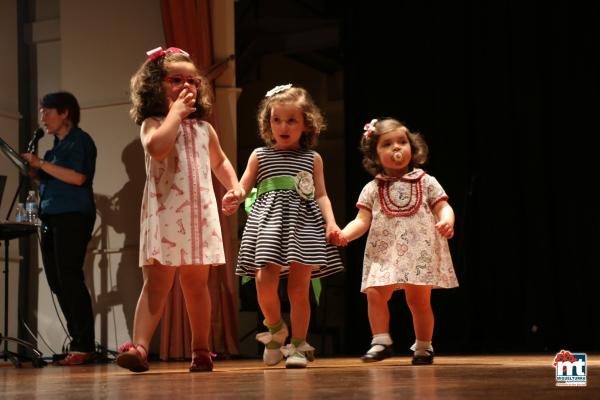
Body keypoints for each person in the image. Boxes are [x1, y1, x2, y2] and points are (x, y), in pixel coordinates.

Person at [115, 46, 243, 373]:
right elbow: (158, 149)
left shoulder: (204, 130)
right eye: (175, 80)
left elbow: (220, 161)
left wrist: (235, 186)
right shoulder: (153, 123)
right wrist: (174, 115)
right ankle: (140, 347)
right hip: (165, 214)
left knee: (197, 286)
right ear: (155, 86)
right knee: (156, 284)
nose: (186, 86)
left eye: (192, 81)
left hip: (198, 217)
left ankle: (201, 349)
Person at [224, 84, 344, 368]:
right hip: (268, 224)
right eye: (277, 119)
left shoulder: (312, 159)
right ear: (268, 123)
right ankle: (277, 329)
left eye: (291, 120)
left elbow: (322, 194)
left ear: (306, 124)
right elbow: (243, 187)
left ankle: (299, 345)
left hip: (303, 224)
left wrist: (332, 223)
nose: (283, 126)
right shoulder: (260, 156)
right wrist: (234, 196)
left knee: (299, 289)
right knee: (264, 282)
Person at [332, 118, 458, 365]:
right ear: (375, 155)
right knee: (374, 292)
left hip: (418, 251)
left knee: (418, 300)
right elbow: (362, 219)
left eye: (402, 142)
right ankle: (381, 341)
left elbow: (444, 207)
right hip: (384, 252)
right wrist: (345, 234)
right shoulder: (372, 188)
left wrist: (446, 220)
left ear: (412, 147)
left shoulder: (426, 181)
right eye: (387, 144)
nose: (397, 148)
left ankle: (424, 346)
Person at [21, 91, 98, 366]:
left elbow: (78, 178)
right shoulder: (53, 147)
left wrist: (41, 164)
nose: (43, 117)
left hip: (73, 216)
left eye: (48, 111)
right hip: (51, 216)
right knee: (56, 281)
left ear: (65, 112)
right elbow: (51, 178)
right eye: (41, 112)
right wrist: (34, 170)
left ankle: (84, 344)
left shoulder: (79, 141)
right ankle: (78, 341)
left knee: (69, 276)